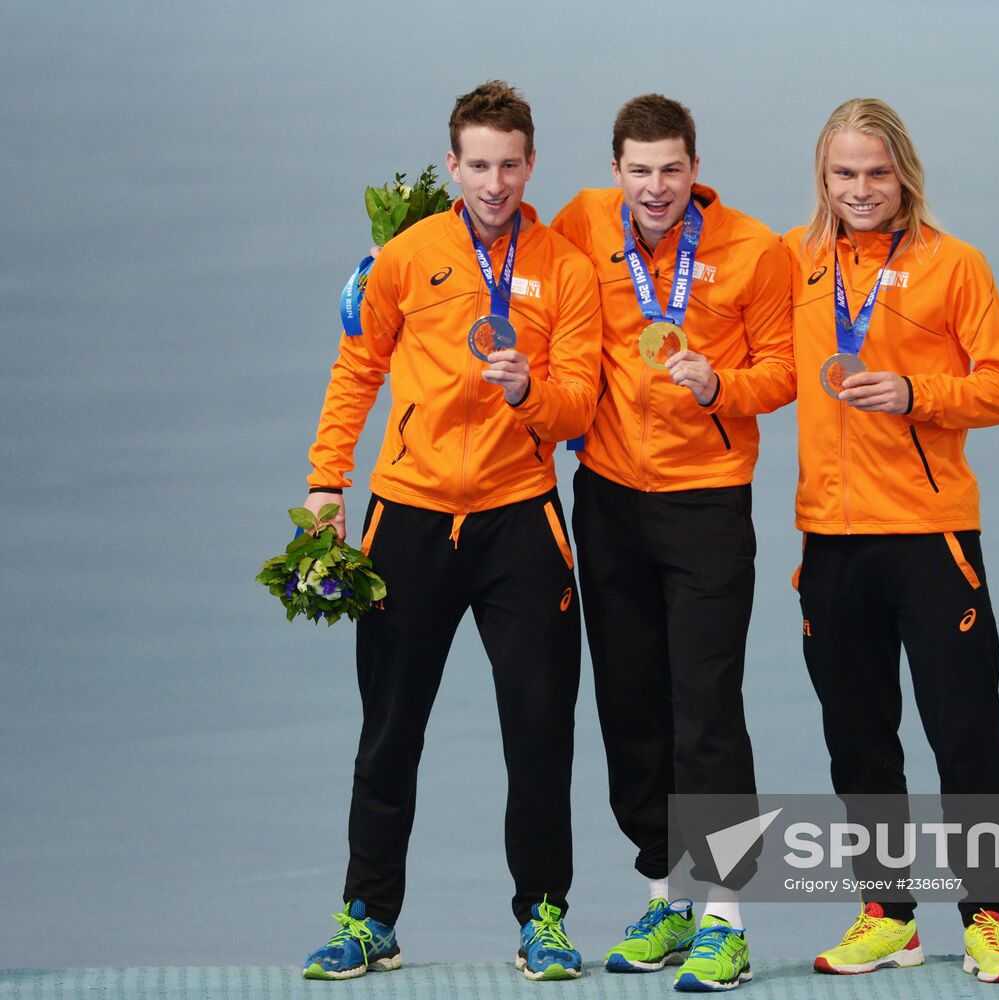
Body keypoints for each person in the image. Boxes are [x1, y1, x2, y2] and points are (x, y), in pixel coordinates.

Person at [298, 80, 602, 983]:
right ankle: (367, 917)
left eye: (511, 165)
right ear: (451, 166)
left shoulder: (566, 267)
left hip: (520, 517)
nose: (496, 182)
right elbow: (357, 368)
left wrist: (527, 394)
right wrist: (326, 483)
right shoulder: (408, 253)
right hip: (412, 516)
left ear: (532, 164)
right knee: (390, 726)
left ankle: (543, 915)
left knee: (540, 727)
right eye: (479, 165)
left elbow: (580, 400)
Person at [784, 98, 999, 984]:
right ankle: (888, 913)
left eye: (877, 173)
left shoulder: (952, 264)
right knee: (858, 736)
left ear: (905, 176)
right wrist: (704, 385)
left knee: (964, 731)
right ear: (824, 176)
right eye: (844, 173)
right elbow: (773, 370)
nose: (861, 190)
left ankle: (988, 918)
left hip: (931, 538)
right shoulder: (797, 261)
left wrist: (917, 392)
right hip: (832, 538)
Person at [552, 94, 794, 992]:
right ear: (615, 169)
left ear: (697, 169)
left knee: (707, 710)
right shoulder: (581, 223)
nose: (656, 188)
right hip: (609, 499)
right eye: (640, 170)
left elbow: (782, 370)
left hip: (707, 507)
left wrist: (717, 384)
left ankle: (725, 916)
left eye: (673, 170)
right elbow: (490, 239)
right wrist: (396, 260)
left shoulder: (753, 248)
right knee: (630, 706)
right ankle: (665, 894)